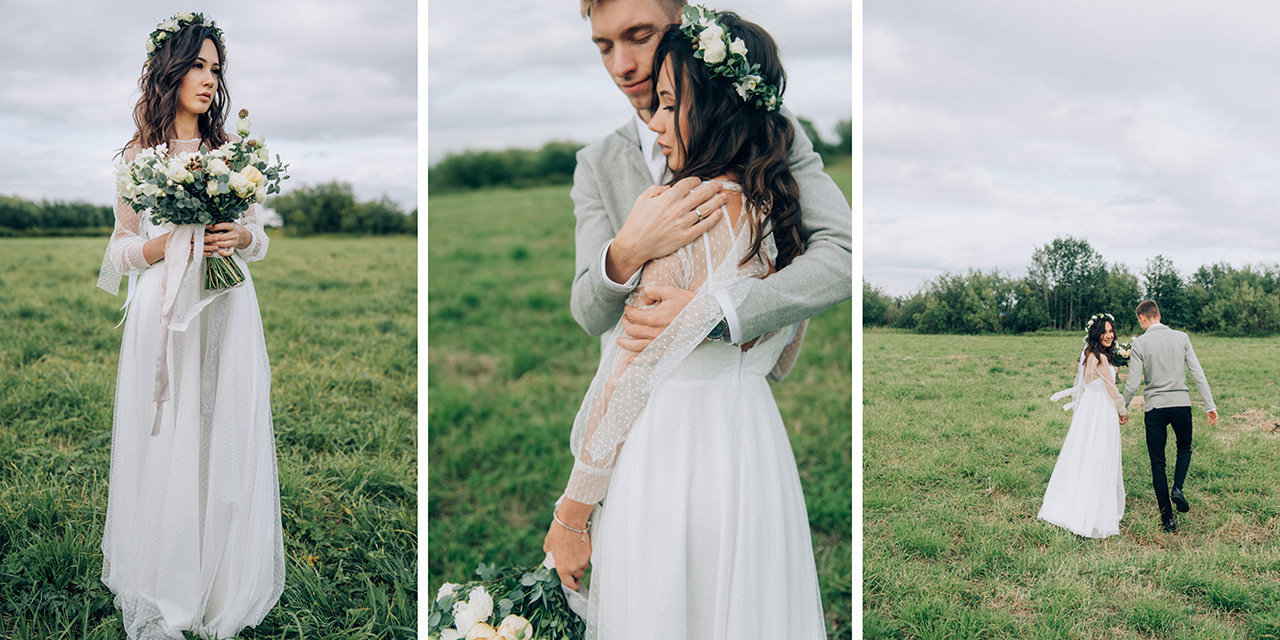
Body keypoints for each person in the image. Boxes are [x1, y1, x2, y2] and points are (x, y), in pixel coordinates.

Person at [544, 7, 827, 637]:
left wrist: (571, 514)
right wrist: (627, 251)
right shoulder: (771, 206)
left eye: (671, 104)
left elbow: (629, 374)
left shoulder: (682, 210)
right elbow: (784, 346)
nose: (655, 119)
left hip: (669, 444)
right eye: (603, 46)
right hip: (752, 440)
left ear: (718, 106)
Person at [96, 13, 284, 639]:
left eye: (216, 69)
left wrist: (240, 236)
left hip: (227, 305)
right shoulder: (137, 158)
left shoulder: (233, 156)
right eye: (198, 66)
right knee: (170, 430)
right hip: (166, 306)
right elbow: (118, 253)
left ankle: (221, 575)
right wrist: (163, 246)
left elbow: (258, 239)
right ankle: (167, 574)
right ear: (170, 71)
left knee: (221, 425)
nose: (209, 80)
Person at [568, 0, 851, 357]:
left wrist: (719, 314)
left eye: (639, 37)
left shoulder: (766, 126)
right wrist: (627, 251)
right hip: (634, 379)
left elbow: (843, 252)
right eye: (605, 48)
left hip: (735, 375)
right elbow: (588, 316)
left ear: (684, 25)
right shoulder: (596, 164)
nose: (621, 66)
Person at [1121, 300, 1217, 533]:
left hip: (1155, 408)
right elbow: (1197, 373)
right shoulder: (1181, 337)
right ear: (1159, 315)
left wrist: (1122, 407)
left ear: (1143, 318)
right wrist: (1209, 405)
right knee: (1184, 447)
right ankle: (1178, 488)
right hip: (1181, 404)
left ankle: (1167, 520)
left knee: (1158, 463)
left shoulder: (1139, 343)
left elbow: (1132, 383)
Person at [1041, 314, 1128, 538]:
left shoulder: (1088, 354)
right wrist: (1122, 409)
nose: (1109, 335)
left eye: (1111, 331)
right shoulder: (1101, 358)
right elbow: (1110, 389)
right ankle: (1093, 511)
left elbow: (1086, 384)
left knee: (1083, 454)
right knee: (1099, 455)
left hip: (1089, 410)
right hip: (1102, 410)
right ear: (1096, 333)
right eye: (1104, 331)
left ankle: (1075, 501)